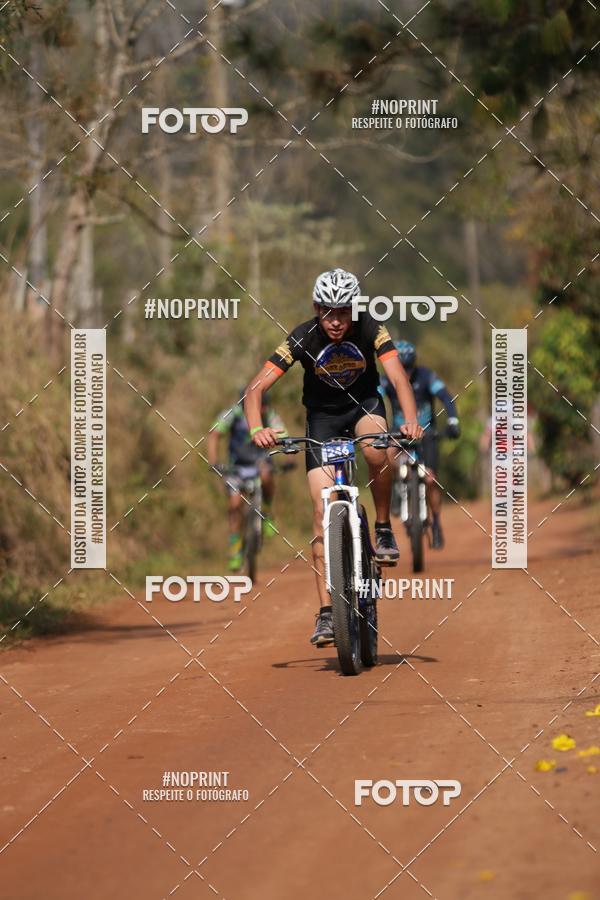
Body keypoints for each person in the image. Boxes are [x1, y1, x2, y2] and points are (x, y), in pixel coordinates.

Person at [243, 268, 422, 647]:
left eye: (343, 312)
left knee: (376, 448)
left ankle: (384, 525)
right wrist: (258, 427)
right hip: (322, 420)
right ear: (316, 309)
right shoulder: (302, 336)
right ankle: (327, 612)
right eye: (328, 312)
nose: (336, 321)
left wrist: (408, 420)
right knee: (321, 511)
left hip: (365, 407)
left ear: (354, 310)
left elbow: (398, 378)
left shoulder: (371, 328)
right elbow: (255, 388)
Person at [380, 340, 460, 549]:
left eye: (408, 369)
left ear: (414, 365)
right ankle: (397, 487)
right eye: (401, 368)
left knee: (431, 479)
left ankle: (436, 524)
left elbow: (446, 398)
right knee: (386, 454)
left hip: (426, 434)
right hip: (399, 433)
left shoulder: (426, 376)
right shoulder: (387, 380)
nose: (404, 373)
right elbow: (374, 398)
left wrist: (453, 421)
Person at [207, 391, 287, 572]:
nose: (262, 409)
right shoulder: (232, 414)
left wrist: (286, 453)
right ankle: (235, 549)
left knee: (267, 475)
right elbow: (214, 434)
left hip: (260, 463)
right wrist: (213, 462)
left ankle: (266, 510)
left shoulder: (270, 414)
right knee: (235, 505)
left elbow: (284, 435)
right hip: (237, 466)